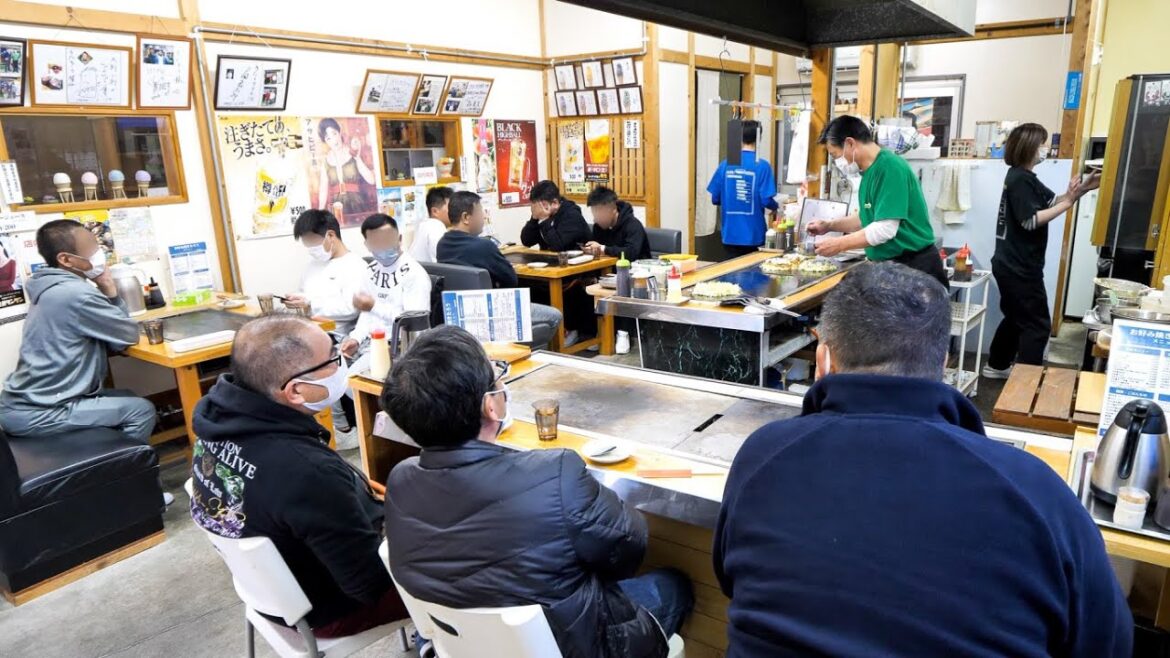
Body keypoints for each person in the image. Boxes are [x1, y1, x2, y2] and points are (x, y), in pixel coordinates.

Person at [714, 262, 1131, 657]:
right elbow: (1108, 644)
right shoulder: (1036, 493)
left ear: (823, 360)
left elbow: (730, 582)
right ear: (942, 364)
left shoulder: (762, 456)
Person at [382, 326, 693, 658]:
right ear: (490, 406)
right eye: (496, 375)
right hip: (577, 644)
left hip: (466, 648)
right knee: (673, 585)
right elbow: (630, 546)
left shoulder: (400, 482)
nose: (502, 383)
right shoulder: (555, 475)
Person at [190, 314, 405, 638]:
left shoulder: (215, 416)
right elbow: (371, 585)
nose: (341, 364)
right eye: (332, 361)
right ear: (295, 391)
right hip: (326, 610)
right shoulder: (306, 472)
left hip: (269, 589)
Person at [0, 219, 156, 446]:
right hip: (41, 411)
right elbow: (127, 335)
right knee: (140, 410)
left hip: (25, 404)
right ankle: (117, 471)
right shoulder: (75, 293)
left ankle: (113, 465)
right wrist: (110, 291)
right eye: (91, 247)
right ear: (65, 259)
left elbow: (113, 339)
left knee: (128, 398)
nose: (98, 252)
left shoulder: (48, 287)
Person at [984, 123, 1100, 379]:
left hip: (1009, 262)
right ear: (1029, 147)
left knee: (1016, 317)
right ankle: (1025, 384)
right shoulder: (1019, 180)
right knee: (1037, 326)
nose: (1046, 149)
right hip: (1019, 266)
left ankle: (997, 365)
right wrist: (1069, 203)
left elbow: (1051, 202)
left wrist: (1078, 191)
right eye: (1042, 144)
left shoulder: (1023, 177)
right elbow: (1030, 220)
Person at [806, 115, 948, 288]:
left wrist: (838, 244)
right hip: (891, 268)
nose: (837, 162)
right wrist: (828, 226)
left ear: (850, 143)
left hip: (913, 269)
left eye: (835, 155)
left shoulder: (889, 168)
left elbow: (885, 229)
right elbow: (864, 218)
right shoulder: (869, 172)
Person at [437, 191, 563, 349]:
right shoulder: (483, 246)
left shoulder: (442, 244)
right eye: (480, 212)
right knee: (555, 315)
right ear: (466, 217)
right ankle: (523, 354)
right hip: (493, 313)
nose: (483, 217)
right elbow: (511, 280)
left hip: (462, 314)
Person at [340, 214, 431, 372]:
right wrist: (356, 338)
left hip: (398, 347)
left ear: (399, 238)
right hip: (370, 342)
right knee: (329, 370)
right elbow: (367, 314)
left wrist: (374, 306)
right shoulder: (371, 269)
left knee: (349, 383)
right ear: (367, 245)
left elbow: (412, 324)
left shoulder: (415, 274)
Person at [283, 209, 367, 340]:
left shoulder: (355, 265)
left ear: (331, 235)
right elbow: (303, 293)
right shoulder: (312, 265)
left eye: (312, 241)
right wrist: (296, 300)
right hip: (307, 328)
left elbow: (351, 309)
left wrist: (309, 304)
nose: (311, 249)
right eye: (307, 244)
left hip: (333, 335)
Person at [706, 120, 778, 258]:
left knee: (731, 276)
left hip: (730, 235)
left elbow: (715, 198)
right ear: (759, 138)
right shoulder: (762, 166)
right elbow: (766, 200)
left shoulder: (726, 164)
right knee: (755, 276)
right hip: (754, 235)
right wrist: (776, 206)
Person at [316, 118, 377, 217]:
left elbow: (371, 180)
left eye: (334, 134)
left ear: (339, 131)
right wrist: (319, 212)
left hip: (357, 204)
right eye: (328, 138)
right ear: (325, 141)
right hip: (337, 208)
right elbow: (323, 189)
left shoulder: (352, 153)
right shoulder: (326, 161)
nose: (334, 140)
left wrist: (358, 159)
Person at [583, 185, 651, 260]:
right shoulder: (598, 226)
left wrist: (603, 249)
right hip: (608, 267)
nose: (596, 219)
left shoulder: (633, 225)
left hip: (635, 268)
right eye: (595, 213)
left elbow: (632, 253)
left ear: (614, 209)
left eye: (601, 213)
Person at [521, 180, 591, 252]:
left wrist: (544, 219)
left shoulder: (572, 215)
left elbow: (558, 248)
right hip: (549, 259)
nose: (539, 209)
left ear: (555, 203)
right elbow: (527, 242)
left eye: (542, 205)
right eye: (536, 206)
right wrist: (534, 219)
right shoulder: (542, 214)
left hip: (575, 260)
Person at [409, 186, 453, 263]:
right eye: (451, 207)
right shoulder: (435, 227)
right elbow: (442, 263)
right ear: (435, 211)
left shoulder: (425, 225)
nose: (455, 211)